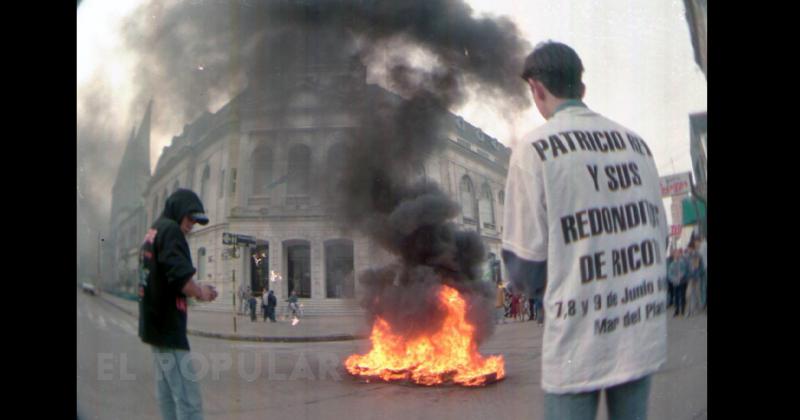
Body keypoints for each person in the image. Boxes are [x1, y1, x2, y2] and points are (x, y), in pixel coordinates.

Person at [502, 41, 669, 420]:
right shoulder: (637, 145)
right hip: (638, 330)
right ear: (582, 89)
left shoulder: (534, 150)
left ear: (537, 90)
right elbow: (658, 237)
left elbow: (524, 266)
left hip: (578, 341)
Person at [138, 188, 218, 420]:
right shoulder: (172, 231)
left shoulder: (154, 230)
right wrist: (201, 292)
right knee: (189, 400)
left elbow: (164, 275)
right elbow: (181, 279)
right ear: (179, 210)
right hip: (169, 329)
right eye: (190, 217)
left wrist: (195, 286)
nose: (192, 224)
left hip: (154, 327)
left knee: (167, 395)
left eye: (196, 220)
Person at [668, 249, 688, 317]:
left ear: (679, 255)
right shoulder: (672, 264)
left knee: (682, 296)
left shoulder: (682, 262)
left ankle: (682, 310)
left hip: (682, 282)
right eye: (675, 254)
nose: (676, 255)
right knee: (676, 297)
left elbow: (684, 270)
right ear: (673, 255)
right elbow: (670, 274)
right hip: (675, 283)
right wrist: (674, 279)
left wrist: (681, 276)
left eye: (678, 254)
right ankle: (676, 310)